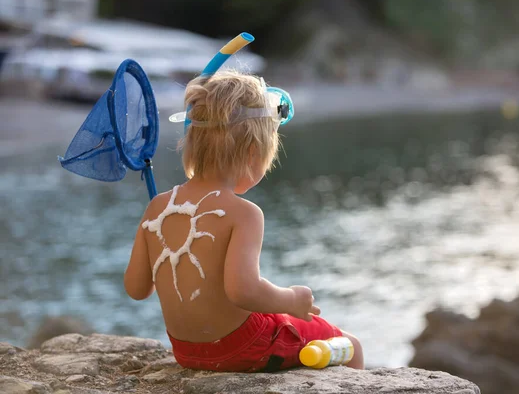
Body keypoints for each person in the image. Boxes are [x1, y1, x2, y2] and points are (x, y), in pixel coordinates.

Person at [123, 70, 364, 372]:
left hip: (185, 351)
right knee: (350, 345)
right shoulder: (245, 213)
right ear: (253, 153)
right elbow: (243, 291)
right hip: (244, 346)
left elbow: (136, 288)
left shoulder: (158, 207)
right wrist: (290, 299)